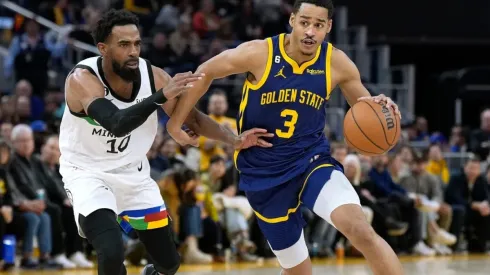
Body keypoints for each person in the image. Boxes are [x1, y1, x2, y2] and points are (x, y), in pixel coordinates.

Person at [165, 1, 404, 274]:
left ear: (329, 27)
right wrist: (175, 123)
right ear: (292, 20)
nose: (310, 32)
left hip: (311, 160)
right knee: (298, 271)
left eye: (318, 25)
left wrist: (380, 106)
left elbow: (365, 107)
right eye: (305, 22)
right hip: (262, 172)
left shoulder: (336, 62)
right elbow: (205, 71)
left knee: (360, 230)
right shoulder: (260, 53)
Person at [59, 9, 272, 275]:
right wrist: (160, 97)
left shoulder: (154, 76)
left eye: (137, 43)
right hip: (87, 174)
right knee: (111, 252)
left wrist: (234, 139)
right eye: (124, 45)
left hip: (134, 174)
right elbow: (116, 123)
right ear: (103, 48)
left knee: (169, 263)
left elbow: (192, 118)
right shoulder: (82, 79)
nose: (133, 51)